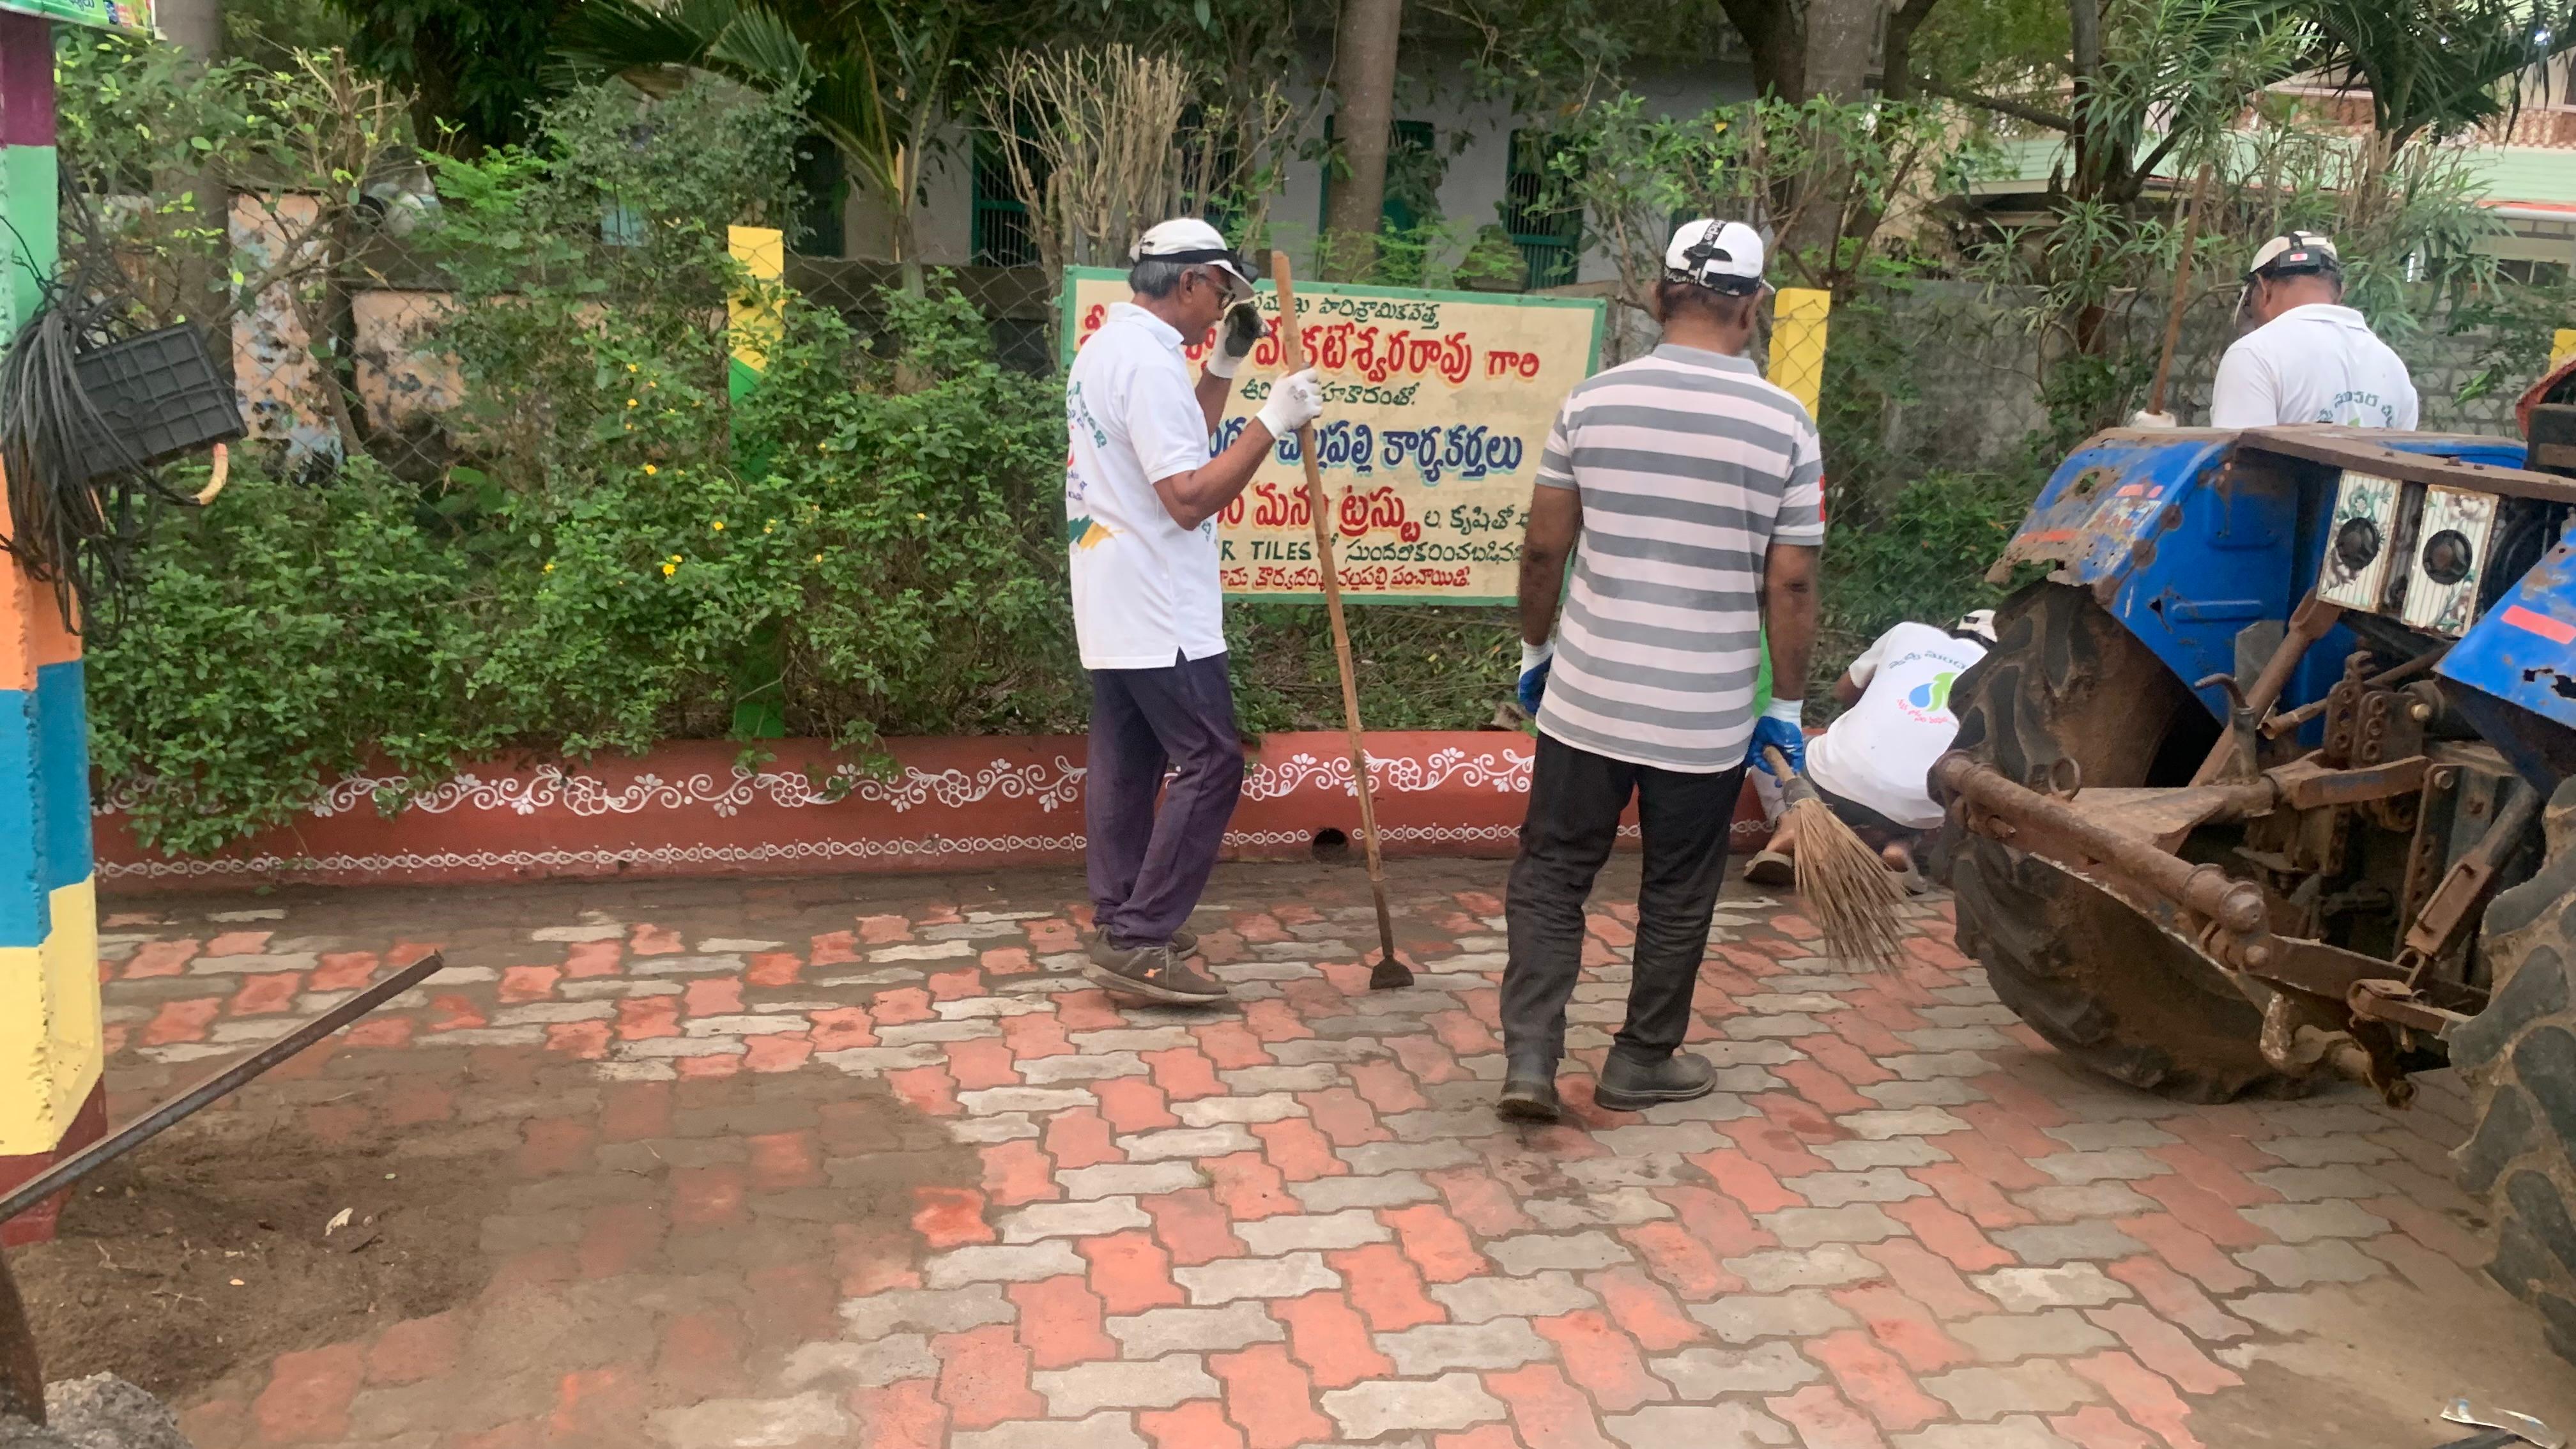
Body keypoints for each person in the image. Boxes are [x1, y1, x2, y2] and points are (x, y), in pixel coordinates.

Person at [1499, 218, 1825, 1123]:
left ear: (1656, 293)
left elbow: (1543, 550)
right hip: (1705, 714)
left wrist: (1536, 653)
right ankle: (1640, 1060)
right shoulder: (1786, 424)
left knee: (1554, 873)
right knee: (1678, 888)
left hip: (1588, 699)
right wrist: (1786, 704)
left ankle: (1531, 1059)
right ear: (1752, 308)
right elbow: (1792, 583)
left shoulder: (1591, 403)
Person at [1066, 218, 1324, 1005]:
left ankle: (1120, 919)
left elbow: (1181, 442)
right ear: (1188, 281)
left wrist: (1223, 366)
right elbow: (1186, 497)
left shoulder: (1111, 348)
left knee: (1130, 760)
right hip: (1160, 600)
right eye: (1221, 291)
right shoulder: (1146, 362)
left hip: (1114, 591)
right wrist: (1273, 422)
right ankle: (1140, 941)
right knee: (1212, 761)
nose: (1223, 306)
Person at [1740, 610, 1996, 893]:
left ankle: (1788, 825)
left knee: (1772, 744)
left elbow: (1843, 691)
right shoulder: (1996, 673)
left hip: (1834, 778)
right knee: (1939, 778)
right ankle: (1899, 847)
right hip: (1916, 805)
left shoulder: (1909, 632)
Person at [2208, 231, 2418, 430]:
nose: (2256, 325)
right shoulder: (2393, 366)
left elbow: (2238, 454)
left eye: (2249, 310)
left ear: (2264, 289)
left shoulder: (2254, 354)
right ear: (2340, 294)